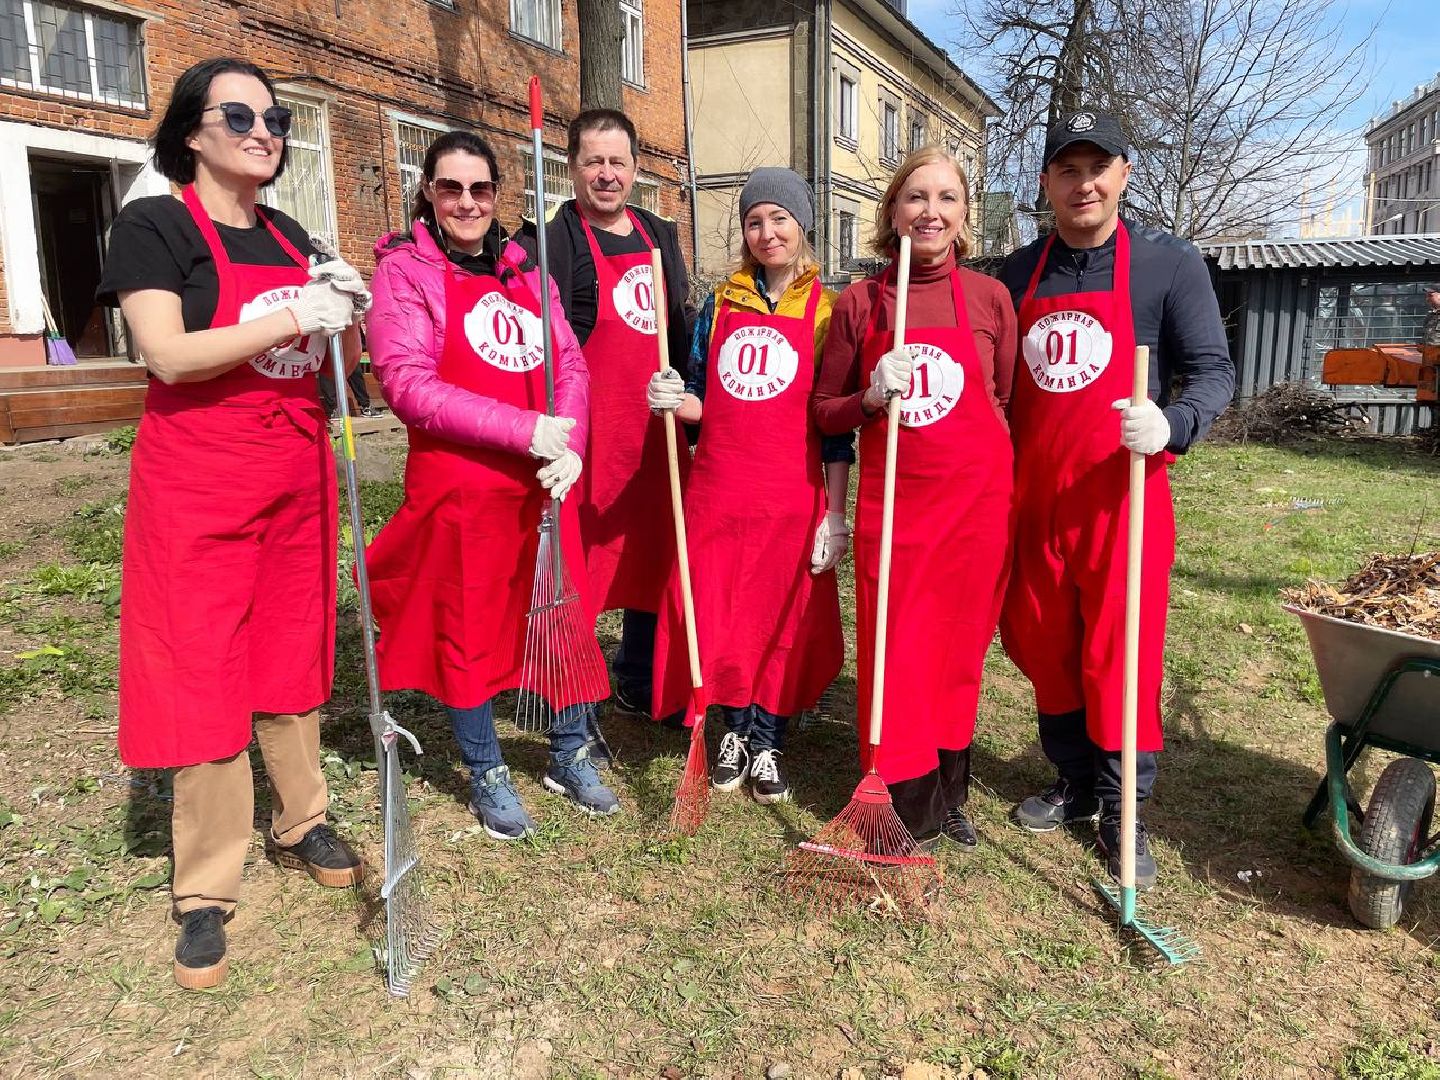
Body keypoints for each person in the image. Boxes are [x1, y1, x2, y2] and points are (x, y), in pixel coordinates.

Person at [94, 57, 367, 990]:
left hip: (294, 476)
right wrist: (295, 312)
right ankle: (206, 887)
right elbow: (168, 354)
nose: (264, 132)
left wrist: (346, 313)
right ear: (191, 131)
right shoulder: (154, 225)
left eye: (275, 119)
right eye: (240, 116)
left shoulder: (293, 235)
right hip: (199, 483)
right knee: (202, 661)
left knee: (291, 651)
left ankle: (301, 819)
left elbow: (333, 365)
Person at [998, 110, 1234, 889]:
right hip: (1036, 500)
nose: (1084, 185)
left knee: (1119, 655)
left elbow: (1213, 371)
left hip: (1121, 500)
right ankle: (1072, 780)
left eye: (1098, 168)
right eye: (1067, 170)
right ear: (1046, 183)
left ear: (1124, 174)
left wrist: (1173, 422)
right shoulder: (1016, 274)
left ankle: (1121, 807)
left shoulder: (1168, 264)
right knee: (1041, 645)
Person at [363, 130, 620, 843]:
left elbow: (570, 364)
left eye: (480, 188)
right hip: (463, 489)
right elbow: (409, 384)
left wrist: (569, 440)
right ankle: (486, 767)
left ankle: (569, 750)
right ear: (429, 192)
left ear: (498, 194)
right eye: (451, 188)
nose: (467, 202)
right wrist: (525, 428)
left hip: (542, 484)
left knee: (558, 615)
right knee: (469, 628)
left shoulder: (527, 271)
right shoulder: (405, 274)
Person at [814, 147, 1016, 850]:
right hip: (897, 509)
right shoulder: (861, 302)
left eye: (947, 199)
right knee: (895, 650)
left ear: (964, 216)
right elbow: (824, 408)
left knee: (958, 650)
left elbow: (1003, 398)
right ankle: (903, 800)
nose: (931, 212)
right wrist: (869, 397)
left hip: (977, 507)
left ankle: (950, 792)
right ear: (893, 211)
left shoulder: (990, 298)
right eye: (916, 197)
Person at [645, 168, 849, 804]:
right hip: (721, 491)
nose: (767, 233)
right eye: (754, 221)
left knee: (780, 617)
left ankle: (768, 739)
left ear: (802, 225)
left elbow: (834, 423)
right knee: (725, 613)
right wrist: (673, 399)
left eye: (779, 219)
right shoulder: (720, 304)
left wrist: (835, 512)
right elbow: (703, 398)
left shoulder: (828, 311)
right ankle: (733, 727)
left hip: (790, 493)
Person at [524, 109, 695, 725]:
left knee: (654, 555)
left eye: (617, 162)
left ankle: (638, 674)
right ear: (571, 167)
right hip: (586, 436)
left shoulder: (659, 236)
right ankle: (572, 685)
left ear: (635, 168)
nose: (605, 174)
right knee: (582, 559)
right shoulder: (551, 241)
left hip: (652, 432)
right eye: (592, 161)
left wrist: (686, 405)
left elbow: (679, 326)